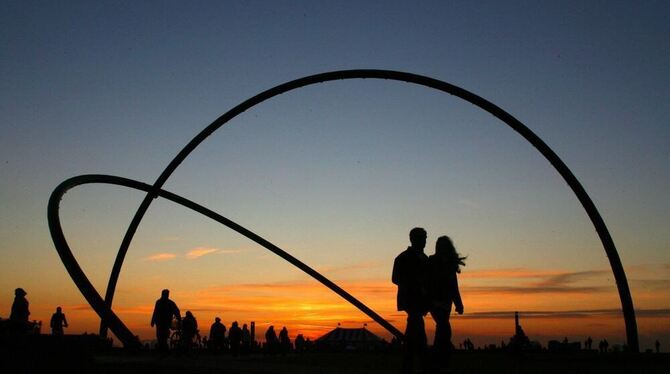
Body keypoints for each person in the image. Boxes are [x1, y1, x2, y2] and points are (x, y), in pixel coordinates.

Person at [392, 227, 429, 374]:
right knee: (417, 327)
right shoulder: (403, 258)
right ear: (413, 239)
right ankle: (421, 362)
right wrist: (414, 284)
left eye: (425, 237)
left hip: (420, 300)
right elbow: (395, 278)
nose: (424, 241)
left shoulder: (425, 259)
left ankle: (412, 363)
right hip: (411, 299)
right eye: (421, 237)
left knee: (414, 330)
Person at [427, 235, 465, 370]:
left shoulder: (449, 264)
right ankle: (439, 359)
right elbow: (426, 282)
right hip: (434, 301)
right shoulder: (431, 261)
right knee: (444, 329)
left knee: (443, 330)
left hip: (446, 302)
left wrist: (458, 303)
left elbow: (454, 286)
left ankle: (439, 360)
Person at [150, 289, 181, 354]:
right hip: (163, 322)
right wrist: (179, 319)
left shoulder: (159, 302)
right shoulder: (169, 303)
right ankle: (163, 350)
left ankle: (163, 350)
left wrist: (152, 321)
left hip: (161, 322)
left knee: (161, 336)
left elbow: (155, 312)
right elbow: (176, 311)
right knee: (162, 336)